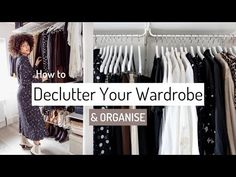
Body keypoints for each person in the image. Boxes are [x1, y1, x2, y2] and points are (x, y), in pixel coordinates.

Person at [8, 33, 48, 155]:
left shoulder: (20, 59)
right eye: (24, 46)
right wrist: (42, 79)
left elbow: (27, 75)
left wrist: (35, 66)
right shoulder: (24, 60)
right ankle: (36, 148)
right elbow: (27, 81)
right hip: (26, 94)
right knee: (35, 119)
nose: (27, 48)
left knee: (24, 118)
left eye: (28, 45)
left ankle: (23, 140)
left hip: (22, 93)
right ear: (18, 48)